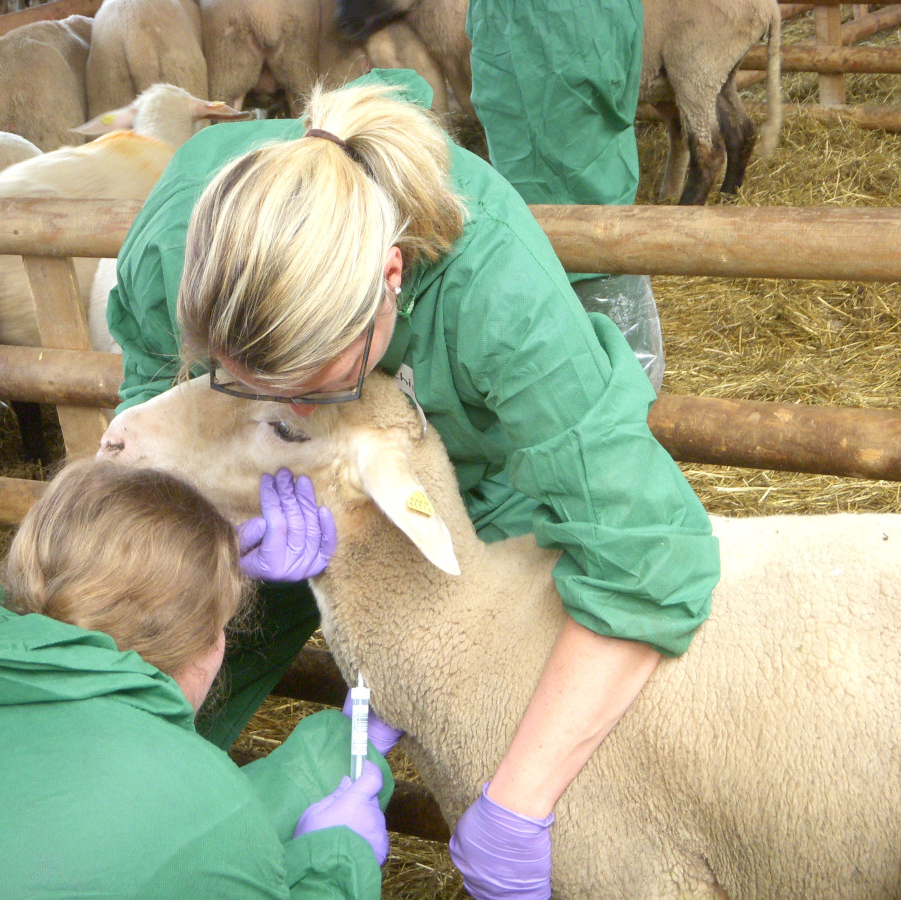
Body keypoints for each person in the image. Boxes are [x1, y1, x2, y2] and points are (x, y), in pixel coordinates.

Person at [106, 68, 720, 898]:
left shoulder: (500, 296)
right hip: (273, 492)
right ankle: (129, 846)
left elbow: (650, 553)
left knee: (494, 688)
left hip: (461, 479)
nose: (273, 403)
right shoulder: (186, 232)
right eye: (232, 377)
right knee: (181, 631)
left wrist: (516, 807)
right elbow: (155, 423)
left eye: (307, 386)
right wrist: (217, 537)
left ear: (390, 279)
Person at [0, 459, 397, 900]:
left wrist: (338, 745)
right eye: (222, 623)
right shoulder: (192, 797)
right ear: (209, 644)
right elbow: (199, 827)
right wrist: (336, 865)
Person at [467, 0, 667, 392]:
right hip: (601, 206)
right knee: (621, 373)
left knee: (543, 369)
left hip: (527, 222)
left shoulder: (494, 12)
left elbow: (488, 79)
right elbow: (623, 88)